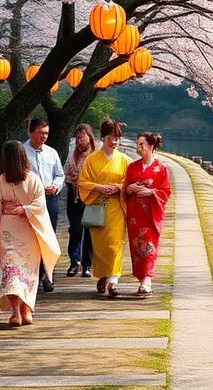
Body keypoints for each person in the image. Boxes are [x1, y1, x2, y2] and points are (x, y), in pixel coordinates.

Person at [0, 140, 61, 326]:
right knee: (19, 271)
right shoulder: (24, 180)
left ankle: (22, 310)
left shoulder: (7, 181)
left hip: (19, 229)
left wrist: (23, 209)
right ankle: (18, 311)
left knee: (17, 271)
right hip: (18, 230)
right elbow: (38, 205)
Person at [78, 119, 131, 298]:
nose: (114, 141)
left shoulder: (125, 160)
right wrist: (98, 187)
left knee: (114, 244)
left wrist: (119, 187)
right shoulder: (92, 159)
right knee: (100, 246)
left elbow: (130, 183)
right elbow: (83, 182)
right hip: (97, 205)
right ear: (103, 137)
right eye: (111, 137)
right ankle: (103, 275)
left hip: (116, 205)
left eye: (117, 138)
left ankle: (113, 281)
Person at [125, 131, 171, 297]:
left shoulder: (161, 168)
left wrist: (150, 192)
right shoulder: (132, 167)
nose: (139, 148)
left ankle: (147, 280)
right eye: (138, 144)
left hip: (151, 214)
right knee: (137, 247)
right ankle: (141, 279)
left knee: (149, 247)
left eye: (142, 144)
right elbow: (126, 187)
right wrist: (130, 189)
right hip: (135, 215)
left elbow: (166, 191)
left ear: (151, 146)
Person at [22, 118, 64, 292]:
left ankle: (48, 274)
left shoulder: (51, 153)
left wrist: (55, 186)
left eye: (46, 133)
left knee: (49, 237)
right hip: (29, 201)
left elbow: (59, 174)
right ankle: (32, 275)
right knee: (31, 238)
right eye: (40, 133)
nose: (44, 137)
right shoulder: (22, 152)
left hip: (49, 199)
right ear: (31, 132)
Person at [63, 123, 96, 277]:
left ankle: (87, 263)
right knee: (75, 228)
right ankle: (74, 261)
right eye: (78, 139)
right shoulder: (72, 154)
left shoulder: (95, 155)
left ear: (90, 138)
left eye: (83, 139)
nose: (80, 143)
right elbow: (65, 173)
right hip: (74, 193)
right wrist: (72, 178)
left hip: (90, 195)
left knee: (89, 229)